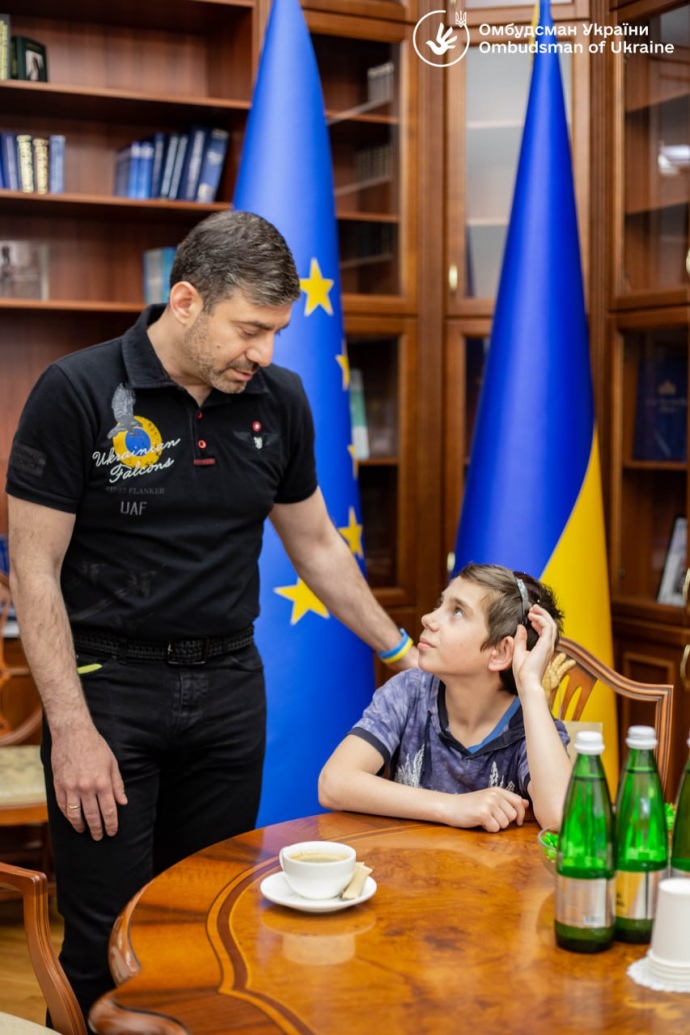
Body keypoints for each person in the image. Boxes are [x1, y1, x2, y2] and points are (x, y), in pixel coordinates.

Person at [5, 210, 417, 1023]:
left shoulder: (279, 401)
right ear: (186, 301)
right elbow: (34, 571)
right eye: (250, 329)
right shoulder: (76, 390)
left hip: (229, 689)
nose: (263, 352)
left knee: (200, 926)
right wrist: (73, 729)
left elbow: (318, 545)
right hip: (107, 691)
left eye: (275, 333)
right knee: (102, 943)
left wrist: (401, 649)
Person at [319, 563, 572, 833]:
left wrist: (531, 688)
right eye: (441, 604)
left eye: (457, 612)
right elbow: (333, 783)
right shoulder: (409, 692)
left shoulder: (532, 729)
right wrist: (452, 806)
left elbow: (562, 819)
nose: (428, 618)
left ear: (500, 652)